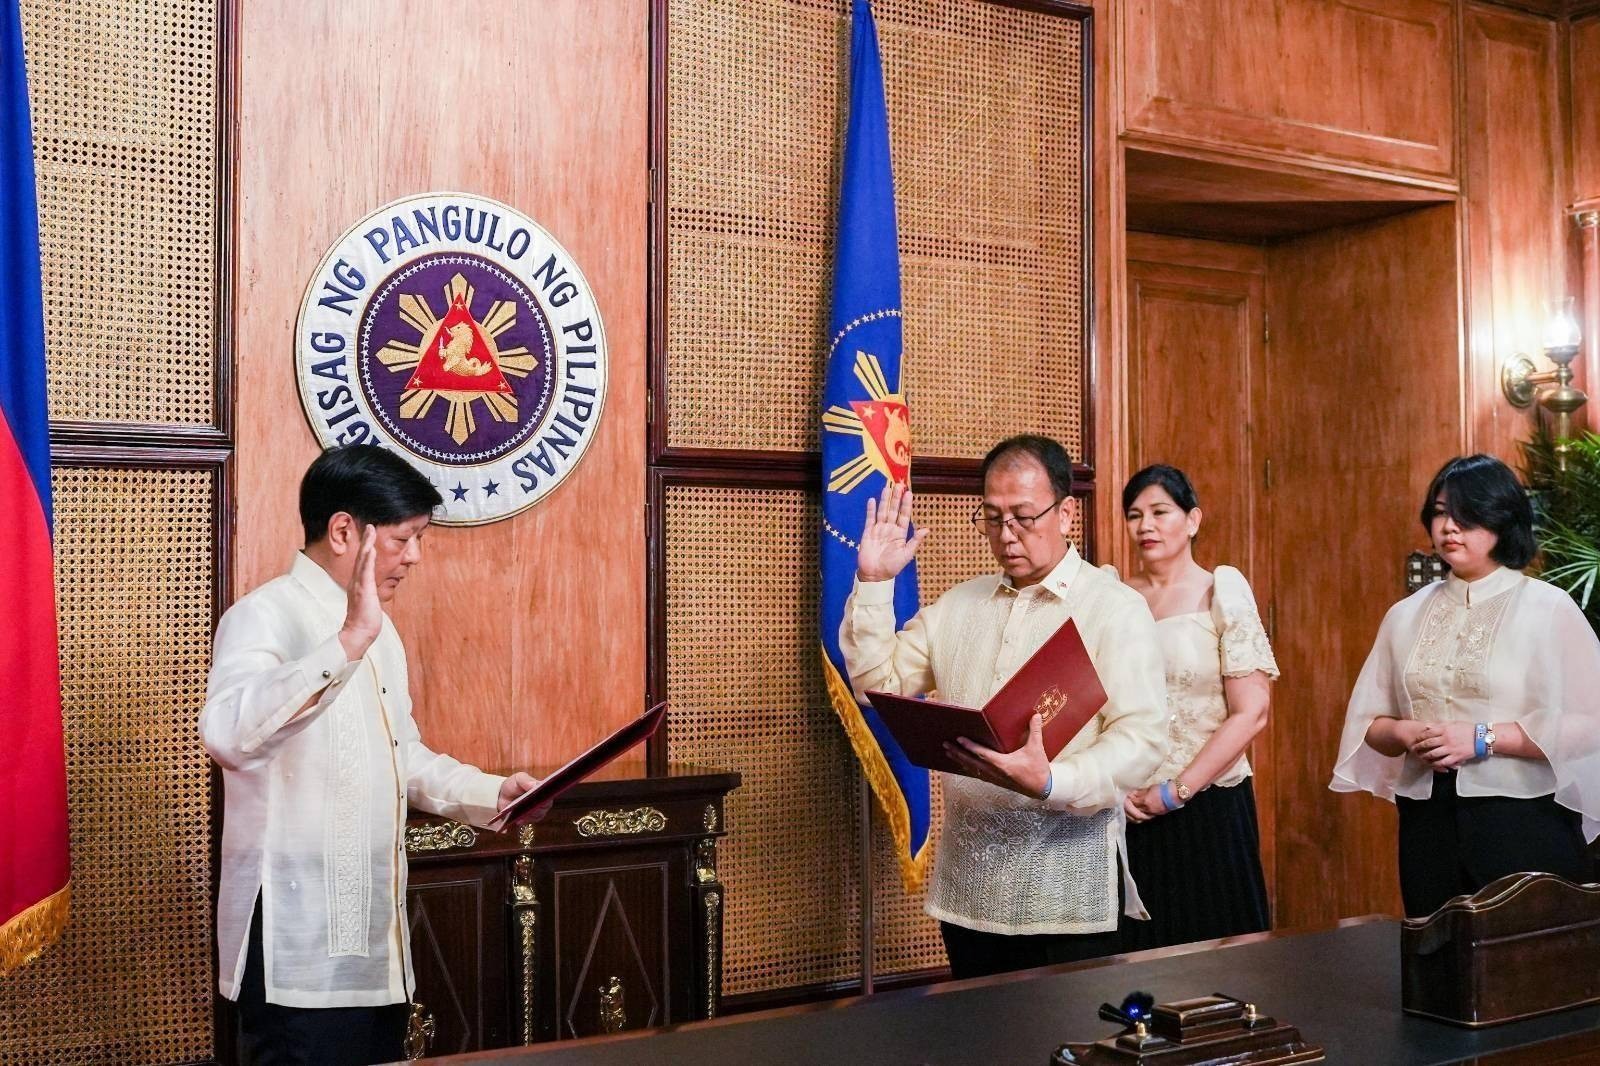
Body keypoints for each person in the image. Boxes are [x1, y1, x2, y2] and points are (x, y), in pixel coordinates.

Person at [200, 445, 537, 1065]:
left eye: (419, 539)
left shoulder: (382, 631)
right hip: (291, 948)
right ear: (343, 531)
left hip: (378, 946)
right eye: (404, 538)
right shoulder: (263, 615)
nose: (415, 557)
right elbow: (228, 734)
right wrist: (348, 641)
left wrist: (493, 794)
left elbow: (401, 757)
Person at [840, 434, 1168, 979]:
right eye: (992, 518)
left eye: (1023, 516)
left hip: (1066, 893)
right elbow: (876, 682)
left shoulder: (1114, 609)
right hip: (969, 890)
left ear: (1065, 514)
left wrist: (1051, 780)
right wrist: (875, 582)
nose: (1006, 535)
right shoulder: (958, 606)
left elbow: (1142, 738)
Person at [1331, 453, 1600, 918]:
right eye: (1439, 512)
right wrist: (1404, 734)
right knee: (1435, 957)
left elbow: (1590, 723)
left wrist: (1482, 737)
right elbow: (1369, 722)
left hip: (1523, 814)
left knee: (1526, 962)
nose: (1449, 526)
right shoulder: (1405, 614)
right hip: (1427, 816)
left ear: (1503, 520)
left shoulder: (1548, 607)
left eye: (1467, 514)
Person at [1109, 464, 1276, 951]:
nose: (1146, 526)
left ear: (1193, 520)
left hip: (1207, 803)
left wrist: (1177, 790)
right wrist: (1115, 787)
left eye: (1161, 512)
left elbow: (1253, 711)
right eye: (1135, 515)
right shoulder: (1114, 596)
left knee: (1216, 964)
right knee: (1136, 971)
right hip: (1128, 808)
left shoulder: (1220, 589)